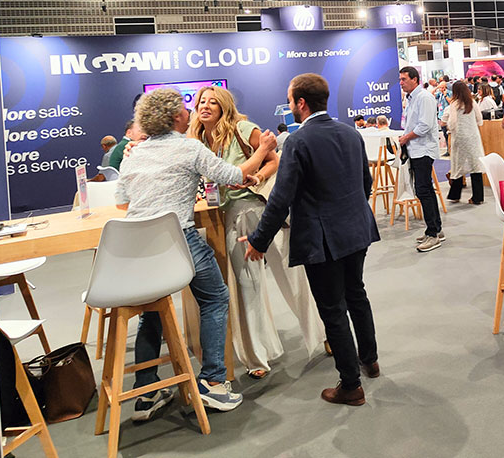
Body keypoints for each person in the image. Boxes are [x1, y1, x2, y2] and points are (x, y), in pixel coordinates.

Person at [116, 88, 275, 419]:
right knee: (215, 298)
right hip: (179, 240)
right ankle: (213, 382)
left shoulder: (134, 154)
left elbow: (121, 202)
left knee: (151, 311)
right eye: (187, 107)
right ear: (177, 116)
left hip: (138, 250)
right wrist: (262, 150)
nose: (192, 111)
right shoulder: (189, 147)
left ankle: (147, 393)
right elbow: (234, 176)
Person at [241, 73, 380, 406]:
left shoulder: (297, 141)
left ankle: (351, 385)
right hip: (356, 230)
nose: (289, 105)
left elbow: (281, 198)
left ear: (300, 103)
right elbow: (366, 183)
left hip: (323, 238)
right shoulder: (350, 133)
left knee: (332, 309)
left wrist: (259, 241)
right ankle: (370, 360)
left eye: (290, 100)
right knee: (356, 294)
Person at [187, 85, 325, 380]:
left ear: (224, 107)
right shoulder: (196, 140)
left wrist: (258, 176)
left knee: (292, 276)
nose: (206, 106)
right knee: (246, 286)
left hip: (263, 209)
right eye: (202, 102)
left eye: (213, 102)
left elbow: (275, 160)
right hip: (232, 216)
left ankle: (325, 333)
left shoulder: (243, 128)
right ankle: (257, 356)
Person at [398, 66, 444, 251]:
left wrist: (406, 137)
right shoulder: (411, 98)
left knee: (423, 191)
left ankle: (433, 234)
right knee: (426, 191)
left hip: (423, 150)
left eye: (404, 79)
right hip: (415, 149)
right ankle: (436, 229)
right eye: (400, 79)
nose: (401, 83)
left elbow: (424, 126)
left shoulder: (424, 98)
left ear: (415, 79)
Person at [443, 81, 486, 205]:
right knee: (475, 166)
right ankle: (478, 197)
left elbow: (452, 123)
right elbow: (480, 120)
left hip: (460, 138)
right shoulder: (473, 103)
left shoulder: (454, 104)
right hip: (473, 138)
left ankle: (455, 195)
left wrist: (450, 129)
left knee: (457, 167)